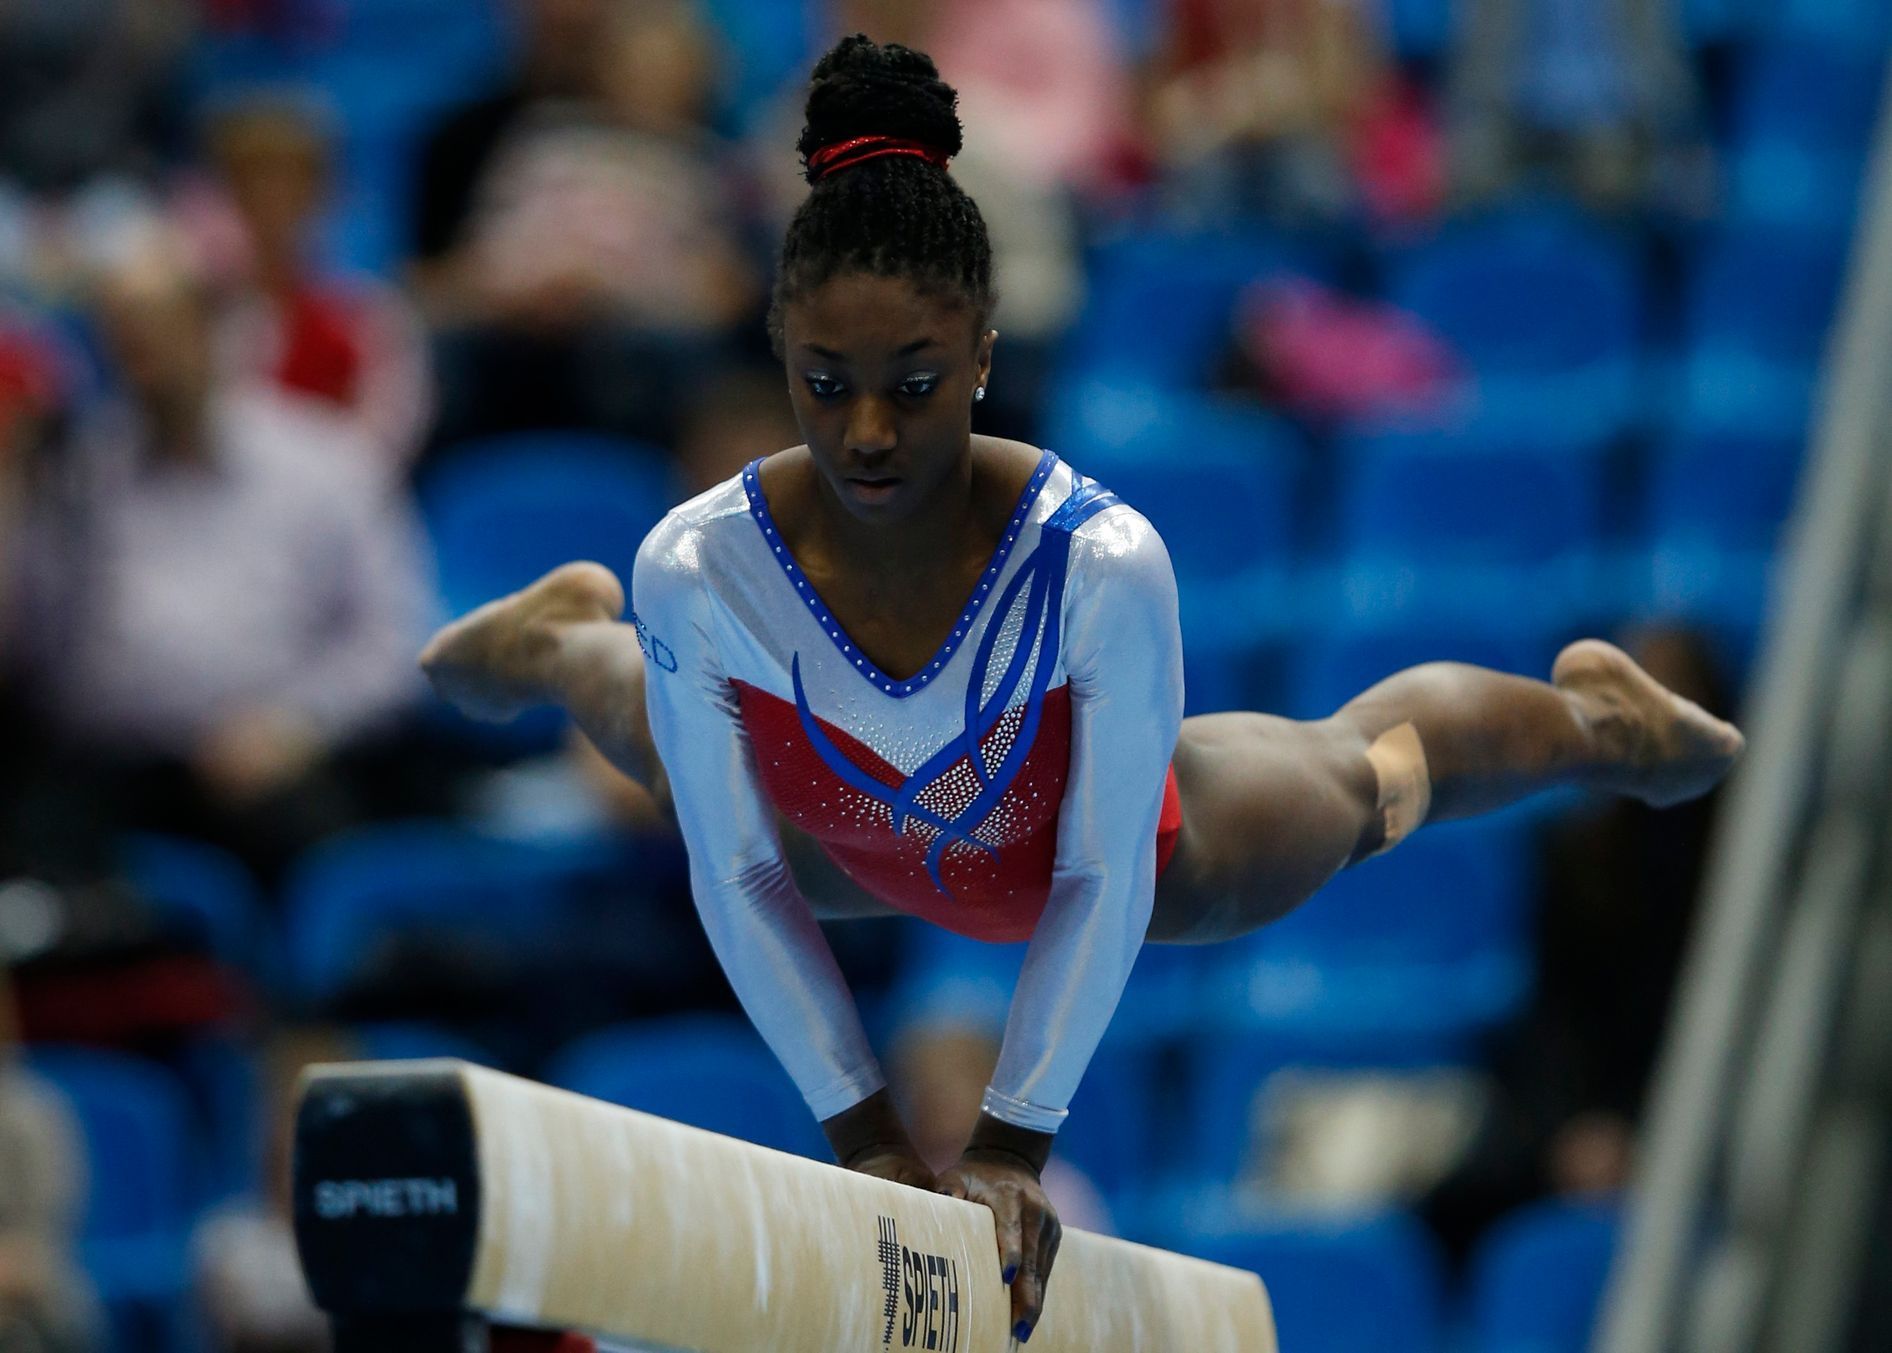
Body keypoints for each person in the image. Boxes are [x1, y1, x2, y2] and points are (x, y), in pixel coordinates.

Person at [418, 37, 1744, 1340]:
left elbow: (1101, 882)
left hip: (1107, 851)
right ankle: (558, 638)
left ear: (984, 355)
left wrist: (1008, 1138)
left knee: (1365, 777)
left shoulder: (1096, 562)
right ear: (783, 354)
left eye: (916, 383)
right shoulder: (701, 561)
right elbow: (740, 880)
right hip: (838, 827)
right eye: (828, 384)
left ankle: (1595, 722)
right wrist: (870, 1137)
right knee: (671, 756)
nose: (870, 433)